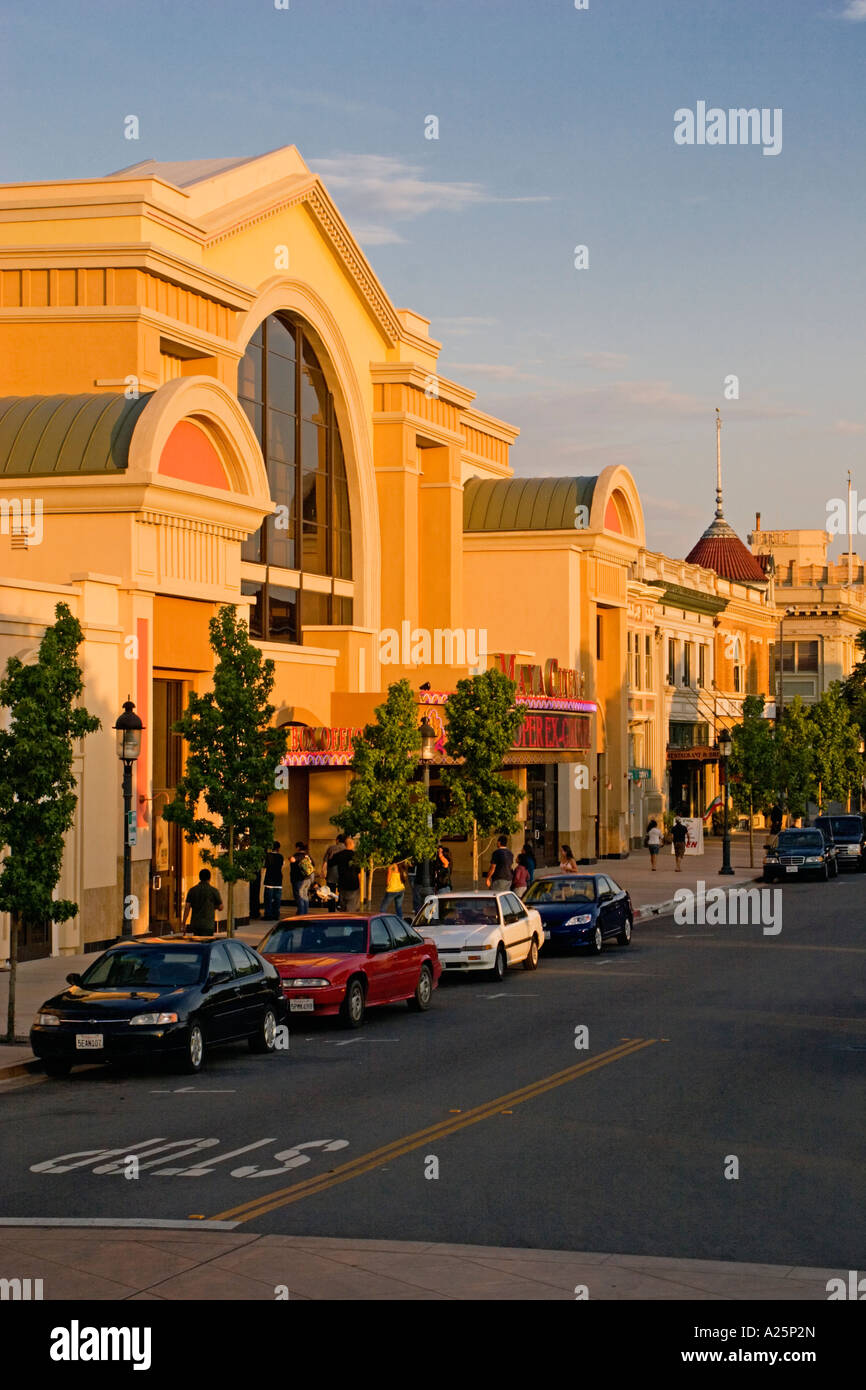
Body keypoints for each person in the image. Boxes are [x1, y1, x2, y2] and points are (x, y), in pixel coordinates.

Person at [182, 868, 223, 936]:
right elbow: (221, 907)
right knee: (207, 944)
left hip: (196, 924)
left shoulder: (192, 890)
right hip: (208, 924)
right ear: (209, 878)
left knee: (198, 944)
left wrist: (183, 922)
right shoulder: (214, 891)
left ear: (199, 877)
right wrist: (213, 907)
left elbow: (187, 907)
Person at [331, 834, 362, 912]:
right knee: (352, 906)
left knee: (343, 905)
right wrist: (360, 884)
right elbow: (359, 872)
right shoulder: (356, 856)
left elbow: (331, 863)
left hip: (342, 883)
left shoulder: (338, 855)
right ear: (351, 844)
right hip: (353, 883)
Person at [290, 842, 315, 914]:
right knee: (305, 896)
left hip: (299, 879)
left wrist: (290, 858)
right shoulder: (307, 856)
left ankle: (301, 915)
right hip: (308, 879)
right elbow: (313, 865)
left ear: (297, 848)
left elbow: (293, 859)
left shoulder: (298, 855)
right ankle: (305, 913)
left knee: (300, 897)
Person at [263, 841, 284, 920]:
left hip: (269, 880)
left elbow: (265, 866)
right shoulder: (281, 856)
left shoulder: (268, 856)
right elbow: (282, 865)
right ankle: (276, 914)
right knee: (277, 899)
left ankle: (268, 915)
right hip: (278, 879)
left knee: (268, 899)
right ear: (278, 848)